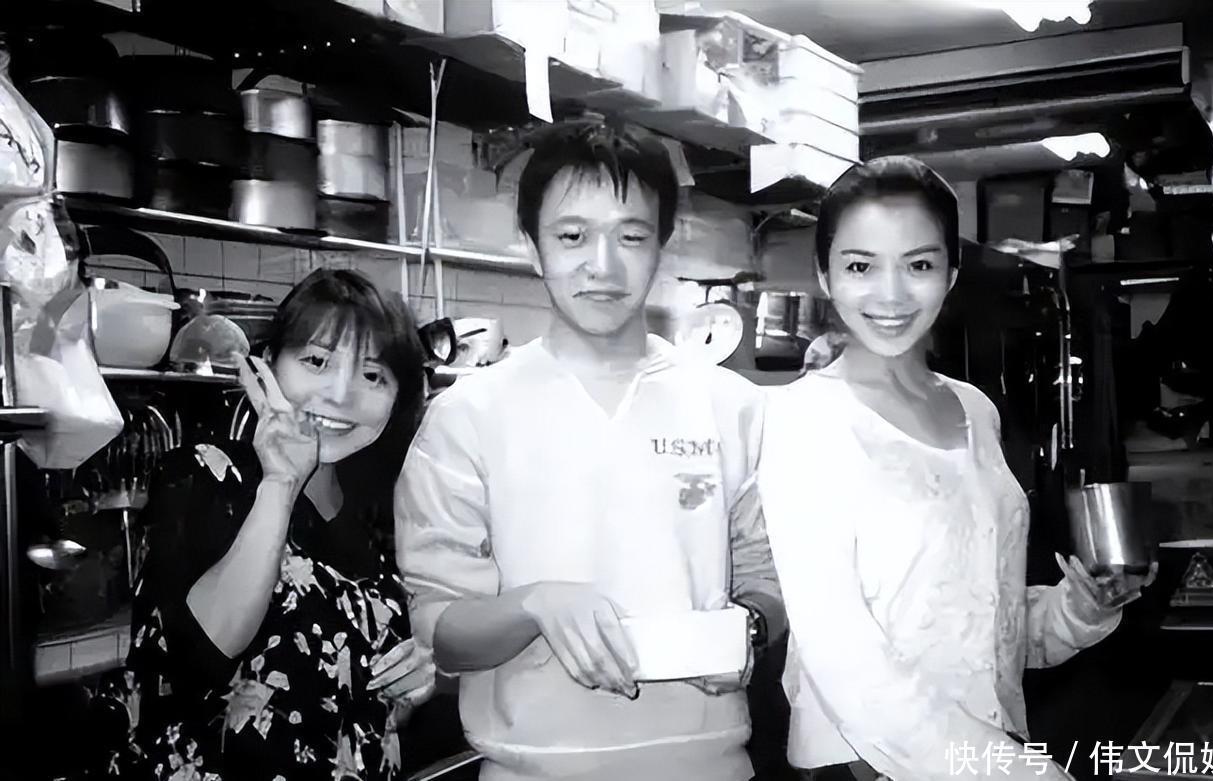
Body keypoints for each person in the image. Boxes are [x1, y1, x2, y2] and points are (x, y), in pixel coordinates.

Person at [394, 120, 786, 781]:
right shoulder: (467, 416)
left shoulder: (733, 406)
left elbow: (771, 581)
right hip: (530, 770)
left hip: (710, 765)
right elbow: (441, 631)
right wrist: (534, 603)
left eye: (631, 236)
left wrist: (747, 630)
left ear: (661, 245)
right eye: (572, 236)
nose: (602, 265)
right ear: (532, 246)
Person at [756, 157, 1158, 781]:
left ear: (950, 274)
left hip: (988, 748)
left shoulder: (975, 410)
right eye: (861, 266)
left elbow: (984, 628)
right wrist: (1019, 773)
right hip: (873, 765)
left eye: (918, 264)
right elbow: (844, 660)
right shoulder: (804, 420)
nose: (891, 295)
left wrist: (1079, 609)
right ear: (824, 275)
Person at [116, 268, 436, 780]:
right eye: (317, 361)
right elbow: (203, 656)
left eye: (373, 376)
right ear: (267, 365)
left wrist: (412, 684)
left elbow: (365, 707)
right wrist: (281, 484)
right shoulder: (205, 474)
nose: (341, 394)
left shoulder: (384, 511)